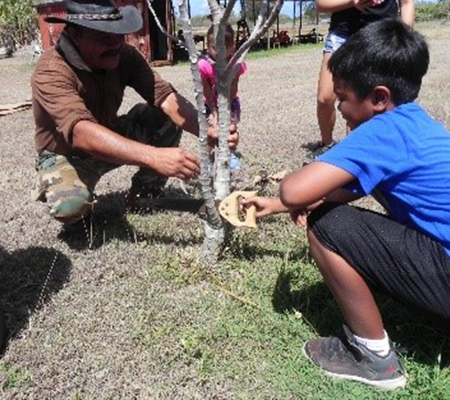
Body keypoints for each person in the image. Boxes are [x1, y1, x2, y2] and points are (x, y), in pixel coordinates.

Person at [244, 20, 450, 390]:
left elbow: (295, 190)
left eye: (342, 97)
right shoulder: (418, 124)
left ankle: (375, 359)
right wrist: (274, 206)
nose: (338, 107)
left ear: (379, 98)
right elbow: (353, 188)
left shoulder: (383, 130)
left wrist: (289, 196)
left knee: (327, 223)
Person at [31, 0, 238, 224]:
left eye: (119, 35)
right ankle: (54, 181)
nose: (115, 44)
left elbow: (166, 97)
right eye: (104, 37)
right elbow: (80, 132)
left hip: (106, 133)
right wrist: (154, 157)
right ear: (74, 34)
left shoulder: (124, 56)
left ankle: (144, 195)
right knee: (71, 207)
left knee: (162, 118)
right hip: (65, 154)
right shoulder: (51, 70)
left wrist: (207, 129)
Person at [311, 0, 414, 159]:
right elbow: (321, 4)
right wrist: (352, 2)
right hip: (342, 34)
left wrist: (404, 36)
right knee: (325, 98)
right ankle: (327, 145)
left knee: (363, 102)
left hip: (380, 35)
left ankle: (355, 153)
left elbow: (407, 3)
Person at [198, 23, 247, 170]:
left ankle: (230, 154)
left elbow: (233, 89)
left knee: (230, 129)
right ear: (208, 46)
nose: (218, 53)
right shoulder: (203, 66)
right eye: (214, 48)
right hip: (210, 104)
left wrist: (224, 110)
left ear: (232, 47)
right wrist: (213, 113)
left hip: (229, 102)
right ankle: (208, 157)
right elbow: (206, 91)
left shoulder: (236, 64)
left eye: (223, 49)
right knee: (210, 132)